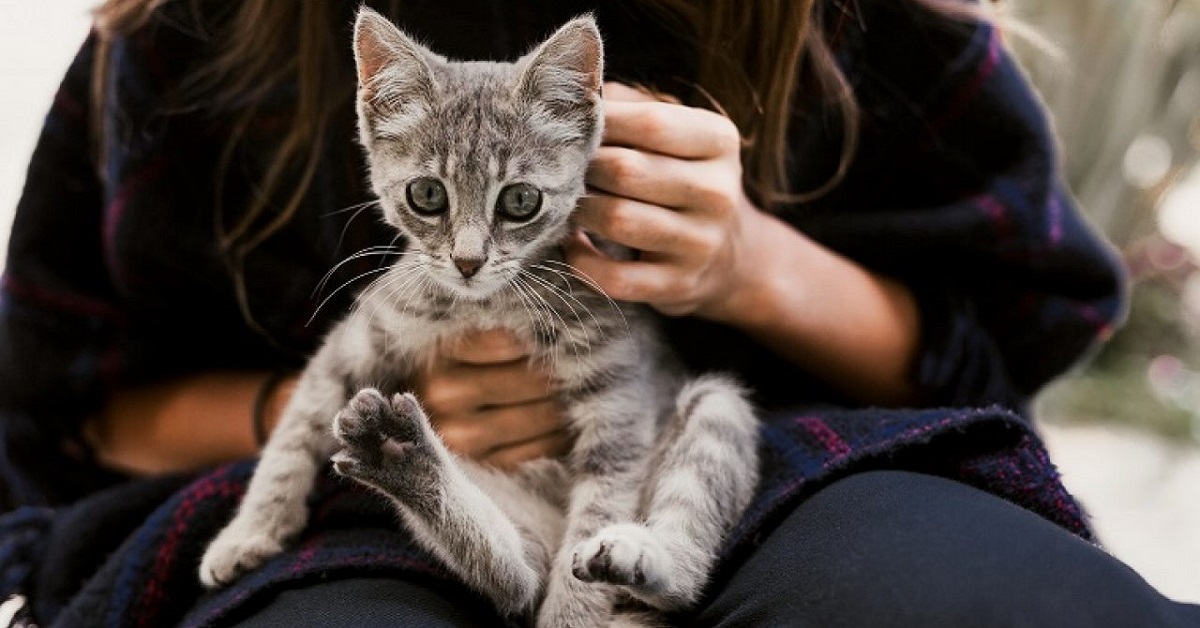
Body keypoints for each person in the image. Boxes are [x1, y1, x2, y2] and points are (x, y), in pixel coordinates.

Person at [0, 0, 1196, 626]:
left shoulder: (849, 23)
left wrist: (748, 264)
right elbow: (68, 396)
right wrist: (335, 421)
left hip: (785, 456)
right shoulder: (182, 35)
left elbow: (1009, 324)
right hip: (354, 505)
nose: (469, 247)